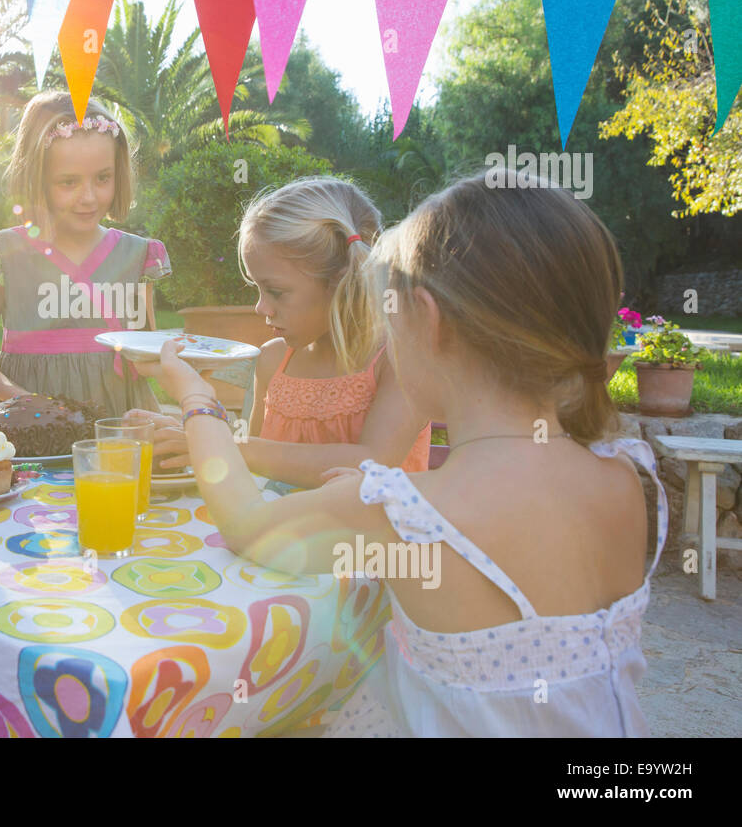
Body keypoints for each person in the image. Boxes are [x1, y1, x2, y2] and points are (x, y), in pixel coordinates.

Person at [135, 170, 665, 736]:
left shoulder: (407, 514)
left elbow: (246, 525)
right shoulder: (626, 477)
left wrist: (195, 399)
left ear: (428, 320)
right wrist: (362, 502)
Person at [138, 177, 430, 486]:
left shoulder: (399, 361)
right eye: (257, 288)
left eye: (276, 291)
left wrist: (220, 444)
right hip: (281, 531)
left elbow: (370, 463)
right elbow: (253, 469)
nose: (261, 308)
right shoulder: (273, 360)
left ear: (342, 283)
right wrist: (198, 427)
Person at [0, 91, 170, 417]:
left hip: (117, 426)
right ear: (36, 179)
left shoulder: (138, 256)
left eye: (103, 178)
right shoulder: (5, 254)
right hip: (27, 427)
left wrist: (188, 370)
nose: (89, 197)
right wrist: (24, 402)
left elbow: (146, 353)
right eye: (68, 182)